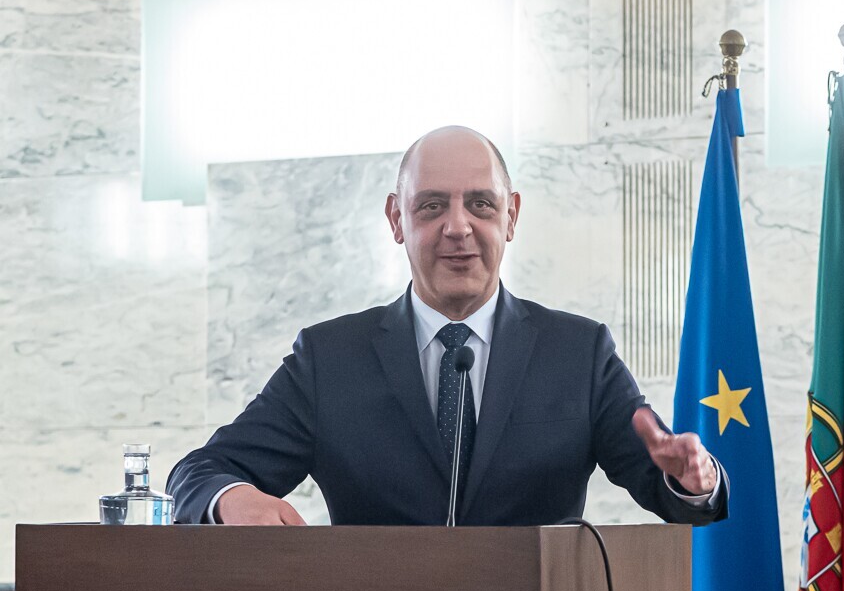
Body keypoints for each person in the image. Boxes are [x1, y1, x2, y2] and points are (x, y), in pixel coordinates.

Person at [168, 126, 729, 527]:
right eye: (432, 206)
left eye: (480, 205)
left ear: (511, 216)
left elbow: (665, 486)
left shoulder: (579, 353)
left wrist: (692, 479)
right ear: (397, 219)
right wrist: (233, 498)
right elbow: (200, 471)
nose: (457, 227)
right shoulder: (329, 359)